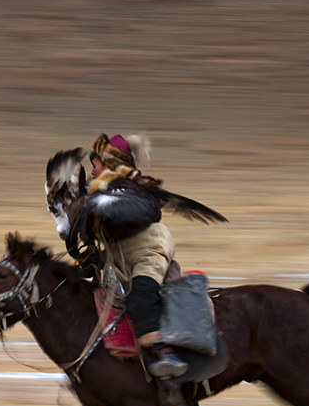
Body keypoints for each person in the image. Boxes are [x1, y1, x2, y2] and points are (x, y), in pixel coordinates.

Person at [61, 133, 227, 380]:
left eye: (94, 165)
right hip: (123, 257)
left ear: (108, 165)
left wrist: (92, 205)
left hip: (150, 252)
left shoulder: (125, 190)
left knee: (140, 295)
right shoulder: (105, 194)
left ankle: (165, 354)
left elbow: (142, 211)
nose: (92, 171)